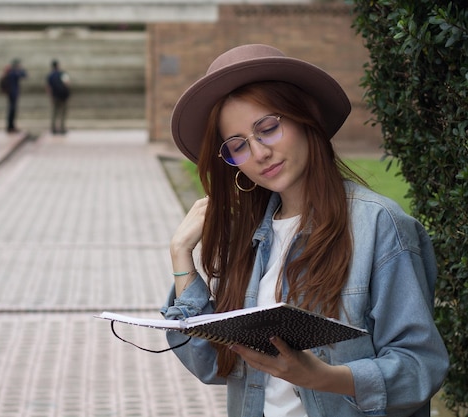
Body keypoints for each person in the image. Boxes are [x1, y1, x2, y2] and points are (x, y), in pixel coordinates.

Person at [161, 44, 449, 417]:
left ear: (305, 117)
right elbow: (212, 365)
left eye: (267, 128)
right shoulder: (249, 241)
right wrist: (181, 253)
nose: (259, 153)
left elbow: (421, 367)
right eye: (238, 146)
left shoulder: (379, 225)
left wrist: (322, 376)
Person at [46, 59, 71, 134]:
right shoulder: (62, 73)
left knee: (54, 112)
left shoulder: (50, 75)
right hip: (62, 96)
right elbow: (67, 83)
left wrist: (51, 96)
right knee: (62, 112)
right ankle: (62, 128)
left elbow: (48, 87)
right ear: (57, 66)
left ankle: (53, 128)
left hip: (55, 96)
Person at [2, 58, 27, 133]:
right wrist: (21, 69)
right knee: (12, 110)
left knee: (12, 110)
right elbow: (24, 75)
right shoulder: (13, 72)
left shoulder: (11, 72)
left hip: (12, 93)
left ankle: (11, 126)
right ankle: (10, 126)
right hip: (13, 93)